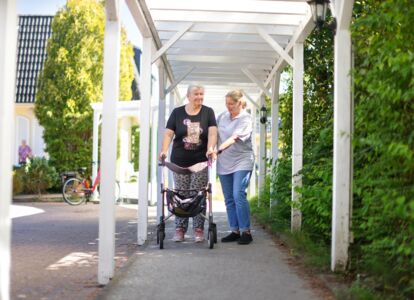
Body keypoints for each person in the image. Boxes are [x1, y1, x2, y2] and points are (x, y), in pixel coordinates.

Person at [159, 85, 217, 243]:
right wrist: (163, 151)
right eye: (196, 94)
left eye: (201, 94)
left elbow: (212, 132)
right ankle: (180, 229)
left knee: (198, 195)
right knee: (181, 195)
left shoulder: (208, 112)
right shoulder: (177, 113)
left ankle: (198, 230)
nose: (199, 97)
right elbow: (168, 133)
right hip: (180, 161)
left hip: (200, 161)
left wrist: (211, 148)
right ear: (188, 96)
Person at [216, 90, 254, 245]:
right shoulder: (222, 117)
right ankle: (234, 230)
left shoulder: (246, 119)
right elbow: (213, 134)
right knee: (229, 199)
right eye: (227, 104)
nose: (228, 106)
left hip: (242, 160)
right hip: (225, 162)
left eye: (231, 104)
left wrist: (217, 150)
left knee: (238, 194)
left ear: (239, 103)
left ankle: (246, 231)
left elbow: (233, 138)